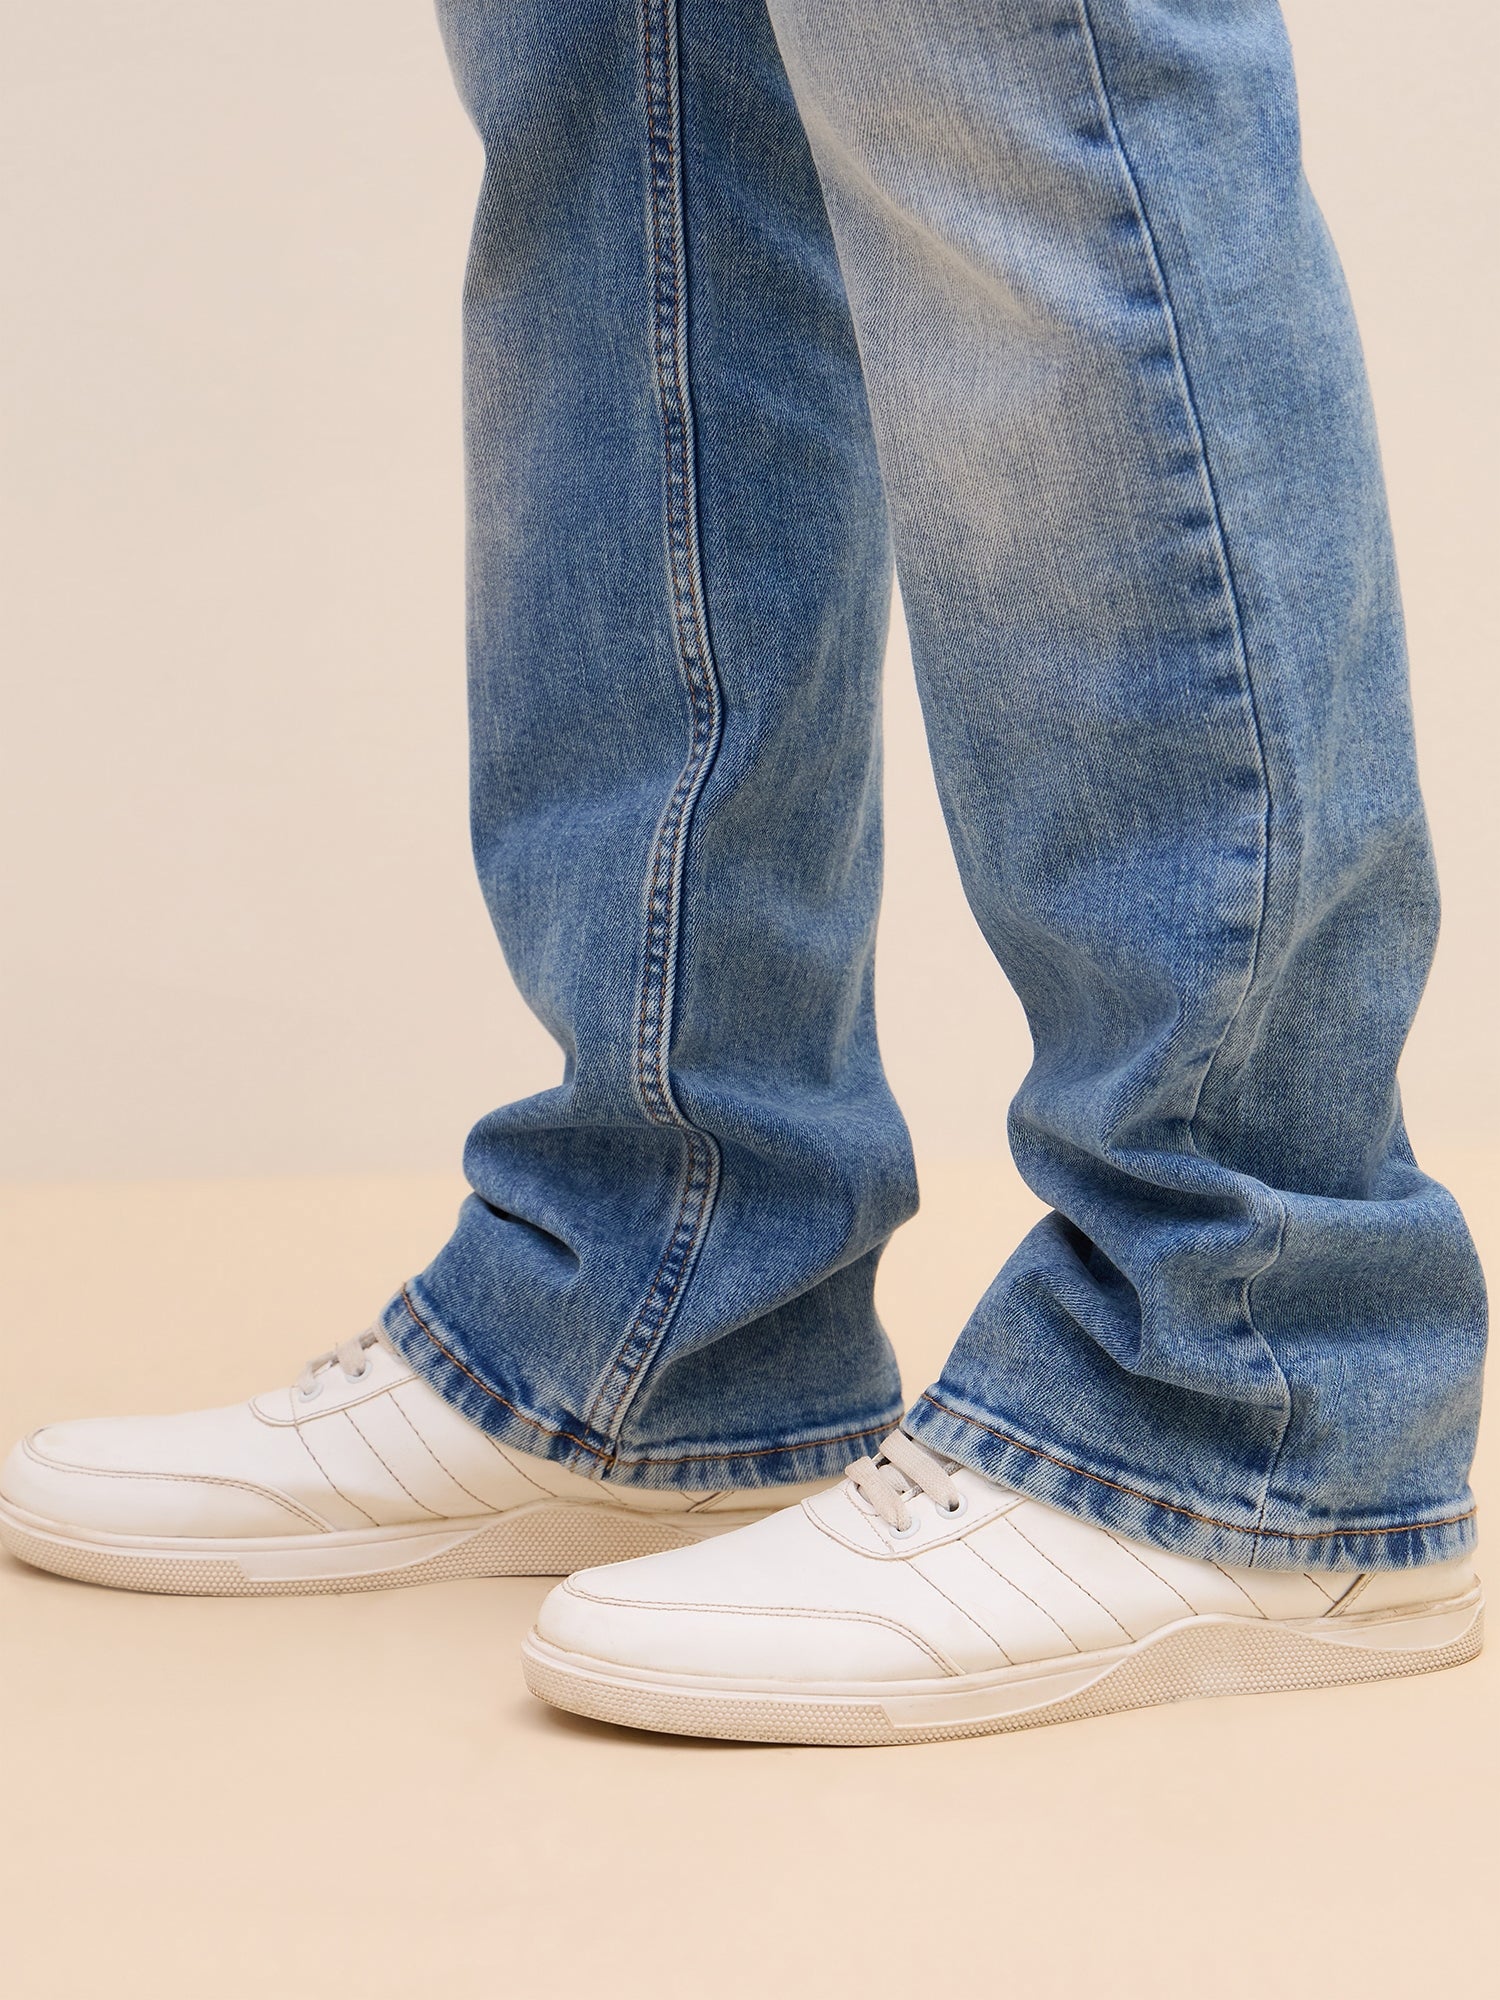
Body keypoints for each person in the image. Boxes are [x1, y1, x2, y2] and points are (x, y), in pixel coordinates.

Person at [0, 0, 1486, 1746]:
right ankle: (676, 1290)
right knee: (623, 77)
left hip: (1247, 1376)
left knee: (1019, 55)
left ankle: (1251, 1369)